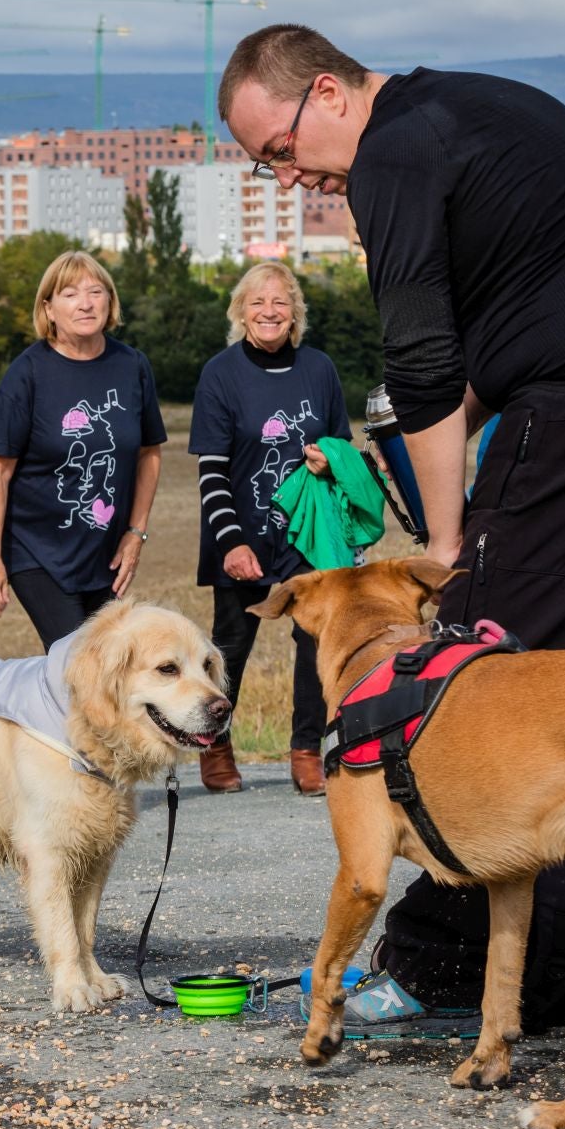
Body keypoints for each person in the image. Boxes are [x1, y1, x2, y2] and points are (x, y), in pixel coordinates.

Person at [220, 27, 565, 1034]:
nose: (286, 178)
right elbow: (469, 360)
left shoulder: (393, 152)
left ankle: (442, 964)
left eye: (278, 150)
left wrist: (447, 546)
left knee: (472, 689)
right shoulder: (467, 107)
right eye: (264, 167)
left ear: (326, 91)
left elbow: (418, 357)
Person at [189, 261, 350, 796]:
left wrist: (330, 461)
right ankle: (215, 745)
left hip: (307, 535)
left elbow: (342, 448)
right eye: (258, 302)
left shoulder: (320, 368)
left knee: (313, 643)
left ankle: (307, 749)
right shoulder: (221, 373)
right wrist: (231, 540)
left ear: (295, 313)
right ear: (241, 311)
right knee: (230, 647)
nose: (269, 311)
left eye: (280, 302)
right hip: (244, 536)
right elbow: (211, 468)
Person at [0, 250, 167, 649]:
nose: (85, 303)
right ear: (48, 308)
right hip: (37, 550)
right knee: (77, 659)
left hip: (106, 552)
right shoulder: (27, 374)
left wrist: (136, 533)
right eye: (69, 294)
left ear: (110, 301)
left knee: (112, 663)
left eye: (95, 291)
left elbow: (149, 453)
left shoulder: (132, 365)